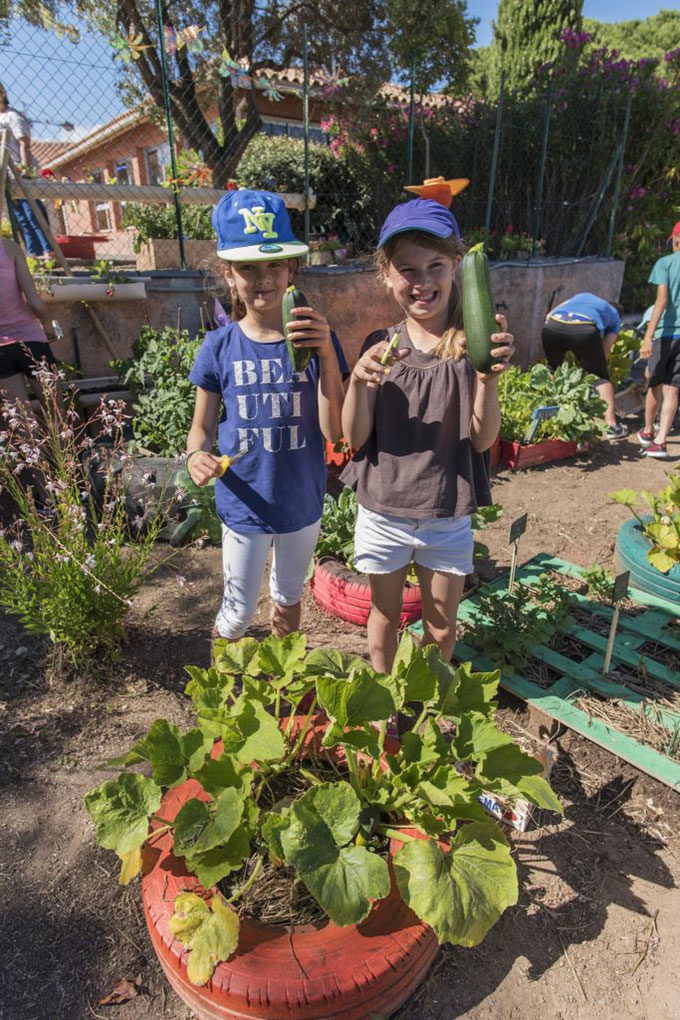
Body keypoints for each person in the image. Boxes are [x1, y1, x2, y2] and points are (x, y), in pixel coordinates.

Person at [341, 198, 515, 672]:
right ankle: (382, 698)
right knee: (384, 613)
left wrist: (488, 377)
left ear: (456, 265)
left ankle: (422, 697)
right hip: (384, 510)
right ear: (387, 275)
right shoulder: (380, 346)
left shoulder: (471, 346)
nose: (422, 281)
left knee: (440, 628)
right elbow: (354, 439)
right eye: (407, 269)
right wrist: (358, 380)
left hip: (445, 510)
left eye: (435, 265)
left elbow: (482, 442)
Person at [186, 189, 347, 641]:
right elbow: (199, 430)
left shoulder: (316, 338)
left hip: (301, 499)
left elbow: (335, 430)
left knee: (288, 597)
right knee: (236, 613)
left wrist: (328, 355)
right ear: (228, 274)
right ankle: (219, 700)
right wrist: (195, 456)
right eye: (248, 268)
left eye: (274, 265)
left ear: (291, 269)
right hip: (244, 503)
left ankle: (282, 688)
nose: (264, 278)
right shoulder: (218, 347)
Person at [541, 292, 628, 439]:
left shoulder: (582, 296)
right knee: (600, 377)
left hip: (553, 324)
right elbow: (605, 351)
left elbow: (549, 315)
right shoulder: (615, 316)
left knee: (552, 369)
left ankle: (546, 417)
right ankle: (612, 427)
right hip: (584, 327)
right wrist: (591, 366)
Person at [0, 236, 60, 405]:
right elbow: (34, 301)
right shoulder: (9, 248)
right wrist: (48, 327)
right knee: (57, 416)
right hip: (30, 339)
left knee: (22, 421)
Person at [637, 221, 680, 459]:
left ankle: (646, 431)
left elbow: (662, 300)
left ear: (676, 239)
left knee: (654, 383)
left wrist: (648, 336)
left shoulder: (665, 263)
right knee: (673, 387)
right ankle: (662, 441)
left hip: (666, 333)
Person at [0, 82, 54, 259]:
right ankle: (33, 253)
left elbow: (24, 144)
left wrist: (25, 168)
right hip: (5, 175)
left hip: (19, 172)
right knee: (20, 219)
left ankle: (48, 251)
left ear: (2, 94)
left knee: (32, 214)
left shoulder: (13, 116)